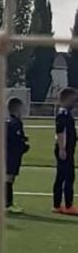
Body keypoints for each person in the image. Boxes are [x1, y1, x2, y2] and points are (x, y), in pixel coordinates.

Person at [54, 87, 77, 215]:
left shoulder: (65, 114)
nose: (74, 103)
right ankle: (68, 205)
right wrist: (62, 149)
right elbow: (60, 132)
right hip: (65, 150)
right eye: (73, 100)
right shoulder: (63, 114)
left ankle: (57, 204)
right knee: (68, 176)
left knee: (61, 176)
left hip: (67, 149)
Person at [5, 96, 30, 213]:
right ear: (17, 109)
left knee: (9, 178)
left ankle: (7, 202)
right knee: (9, 178)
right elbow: (15, 140)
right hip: (11, 155)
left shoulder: (8, 122)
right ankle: (7, 203)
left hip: (8, 154)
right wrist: (24, 146)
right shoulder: (16, 123)